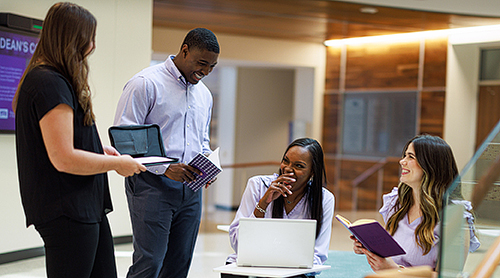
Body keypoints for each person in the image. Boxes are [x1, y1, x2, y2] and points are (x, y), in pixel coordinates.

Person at [12, 2, 147, 278]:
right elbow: (63, 157)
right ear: (72, 39)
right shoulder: (49, 82)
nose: (93, 46)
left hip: (84, 208)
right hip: (68, 211)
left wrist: (101, 151)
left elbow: (70, 144)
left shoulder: (52, 79)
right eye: (89, 38)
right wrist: (116, 164)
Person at [113, 27, 220, 278]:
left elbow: (202, 139)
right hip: (151, 186)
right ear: (184, 51)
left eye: (212, 67)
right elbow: (125, 140)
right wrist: (165, 168)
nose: (205, 71)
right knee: (149, 262)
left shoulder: (204, 94)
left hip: (191, 190)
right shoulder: (145, 83)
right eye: (201, 63)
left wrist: (207, 163)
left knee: (179, 264)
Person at [351, 134, 480, 272]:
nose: (402, 161)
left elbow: (448, 275)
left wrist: (396, 270)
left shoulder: (454, 216)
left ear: (430, 166)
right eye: (404, 155)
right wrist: (369, 248)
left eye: (410, 157)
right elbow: (391, 252)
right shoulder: (397, 203)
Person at [223, 138, 335, 278]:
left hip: (294, 271)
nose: (288, 169)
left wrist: (285, 265)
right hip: (252, 264)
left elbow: (318, 255)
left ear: (312, 172)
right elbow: (237, 243)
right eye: (285, 161)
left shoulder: (324, 199)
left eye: (299, 166)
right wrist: (263, 203)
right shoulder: (257, 185)